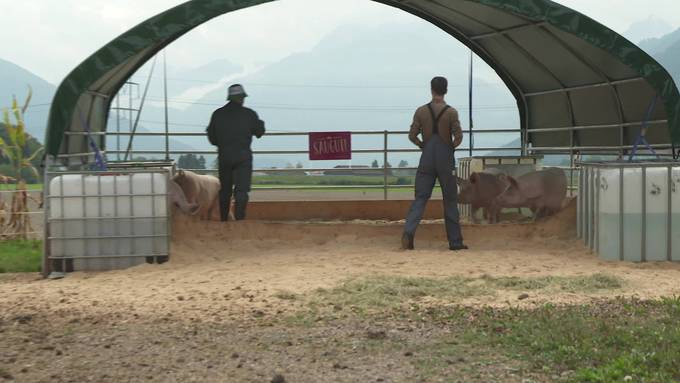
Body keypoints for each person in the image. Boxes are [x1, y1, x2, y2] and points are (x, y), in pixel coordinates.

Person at [402, 76, 468, 251]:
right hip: (445, 159)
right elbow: (459, 137)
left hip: (427, 159)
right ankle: (455, 242)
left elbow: (412, 135)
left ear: (431, 90)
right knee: (450, 200)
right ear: (445, 90)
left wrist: (422, 145)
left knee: (420, 198)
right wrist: (450, 148)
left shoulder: (421, 111)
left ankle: (408, 232)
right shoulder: (451, 112)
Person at [207, 84, 265, 221]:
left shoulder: (217, 114)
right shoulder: (249, 114)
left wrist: (223, 144)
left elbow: (212, 138)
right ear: (242, 98)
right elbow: (259, 132)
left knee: (225, 191)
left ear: (229, 97)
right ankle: (239, 220)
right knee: (241, 191)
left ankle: (224, 220)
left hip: (224, 156)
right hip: (243, 157)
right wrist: (260, 123)